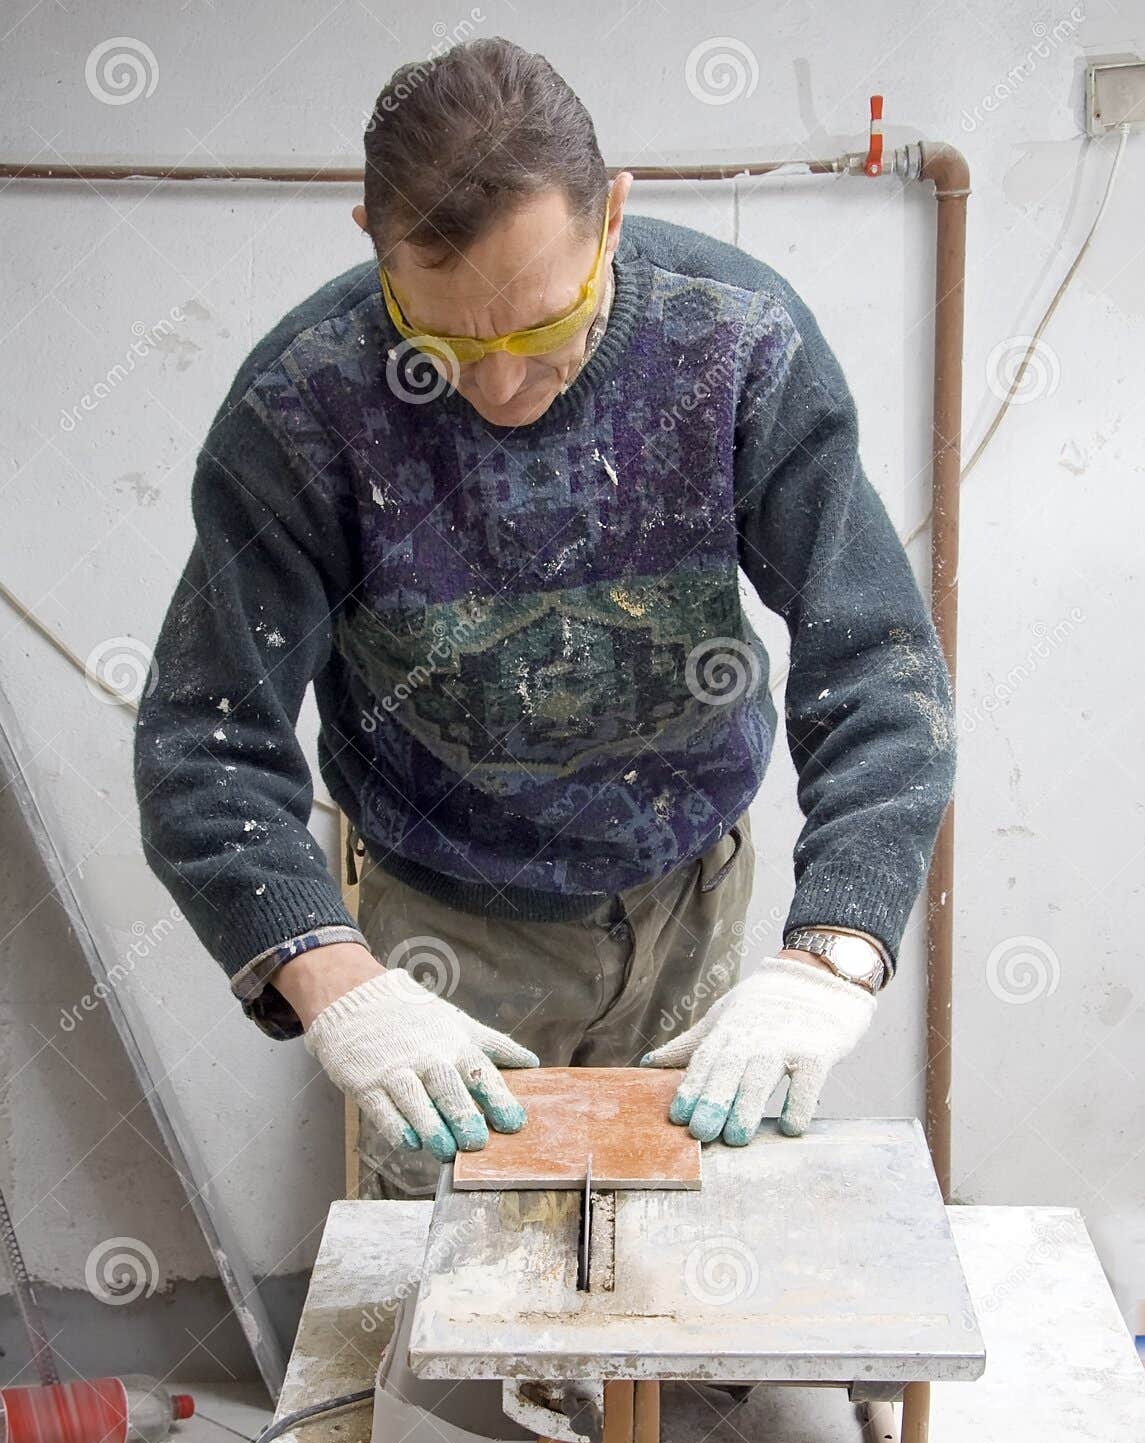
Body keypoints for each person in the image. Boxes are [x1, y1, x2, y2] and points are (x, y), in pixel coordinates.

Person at [134, 38, 955, 1193]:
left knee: (684, 1275)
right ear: (370, 236)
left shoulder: (735, 343)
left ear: (610, 216)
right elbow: (204, 740)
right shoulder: (303, 405)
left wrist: (833, 951)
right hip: (444, 935)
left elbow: (874, 667)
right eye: (445, 343)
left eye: (537, 330)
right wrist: (335, 979)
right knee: (463, 1304)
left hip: (691, 895)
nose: (499, 388)